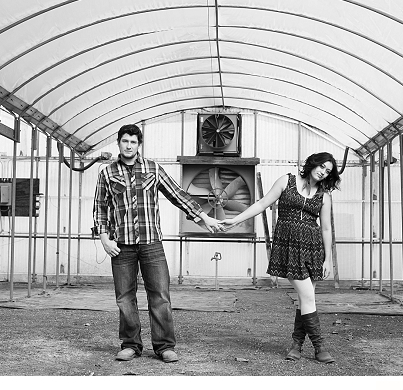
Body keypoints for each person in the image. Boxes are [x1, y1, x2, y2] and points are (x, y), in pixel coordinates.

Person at [93, 124, 223, 363]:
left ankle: (164, 346)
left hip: (152, 243)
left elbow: (177, 194)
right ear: (118, 143)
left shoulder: (153, 168)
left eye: (133, 142)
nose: (129, 146)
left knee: (160, 295)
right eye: (125, 141)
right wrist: (104, 238)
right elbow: (100, 208)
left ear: (138, 144)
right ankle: (130, 345)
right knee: (124, 297)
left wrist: (203, 217)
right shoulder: (107, 173)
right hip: (121, 245)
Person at [219, 152, 340, 363]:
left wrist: (328, 259)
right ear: (312, 164)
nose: (323, 172)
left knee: (306, 298)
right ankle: (320, 347)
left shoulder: (324, 196)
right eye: (321, 166)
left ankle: (296, 346)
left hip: (312, 249)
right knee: (308, 296)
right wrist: (234, 220)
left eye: (328, 171)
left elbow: (327, 229)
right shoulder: (287, 181)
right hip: (288, 246)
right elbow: (262, 204)